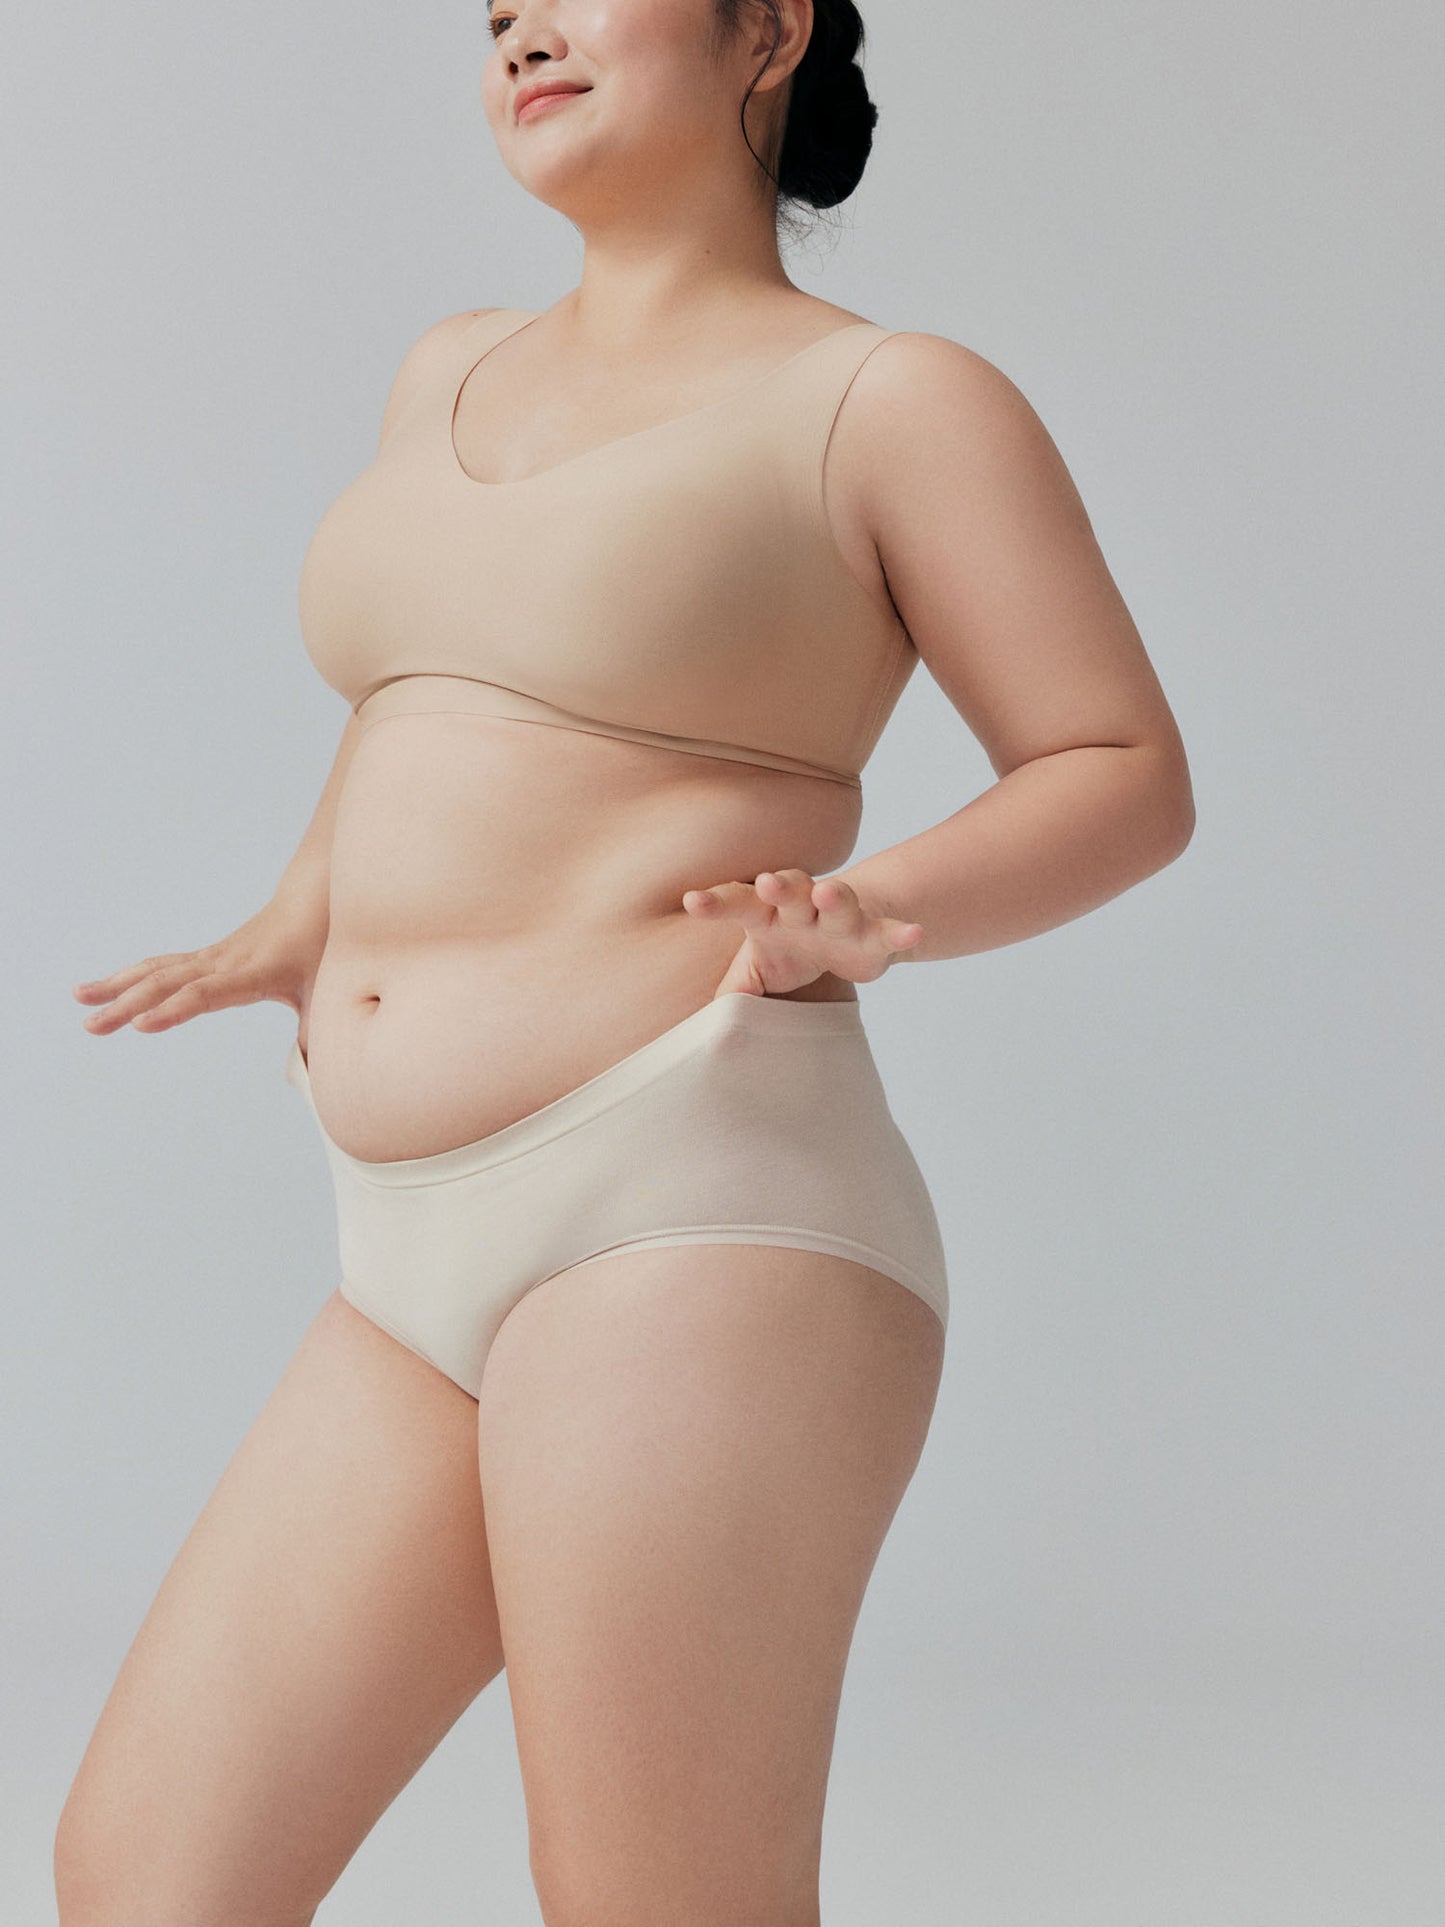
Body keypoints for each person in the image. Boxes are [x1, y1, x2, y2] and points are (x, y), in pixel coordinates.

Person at [55, 0, 1195, 1920]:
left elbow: (1119, 768)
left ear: (766, 31)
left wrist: (879, 909)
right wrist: (299, 916)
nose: (517, 25)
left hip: (692, 1204)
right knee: (148, 1872)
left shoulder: (890, 399)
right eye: (495, 7)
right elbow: (429, 687)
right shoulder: (449, 369)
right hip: (402, 1240)